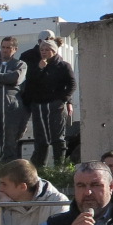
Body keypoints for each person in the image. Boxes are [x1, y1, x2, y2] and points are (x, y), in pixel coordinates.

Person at [24, 38, 75, 166]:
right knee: (41, 139)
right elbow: (30, 83)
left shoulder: (63, 66)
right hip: (39, 106)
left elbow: (72, 84)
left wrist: (64, 99)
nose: (44, 52)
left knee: (57, 138)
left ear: (54, 51)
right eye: (42, 49)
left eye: (47, 49)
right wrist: (39, 69)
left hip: (55, 105)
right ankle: (40, 168)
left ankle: (59, 167)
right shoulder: (37, 65)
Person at [0, 35, 29, 164]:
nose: (5, 50)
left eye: (8, 48)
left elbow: (16, 79)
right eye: (3, 47)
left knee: (9, 140)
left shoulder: (20, 64)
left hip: (11, 107)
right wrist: (6, 79)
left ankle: (8, 168)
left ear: (15, 49)